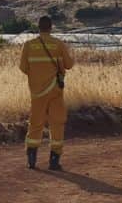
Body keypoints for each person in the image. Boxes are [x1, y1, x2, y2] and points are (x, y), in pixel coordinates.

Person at [19, 15, 74, 170]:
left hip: (37, 92)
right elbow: (69, 65)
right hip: (55, 90)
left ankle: (31, 158)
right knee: (57, 122)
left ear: (38, 27)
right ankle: (54, 160)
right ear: (51, 27)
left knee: (36, 123)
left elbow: (23, 68)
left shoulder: (28, 45)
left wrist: (37, 76)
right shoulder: (58, 44)